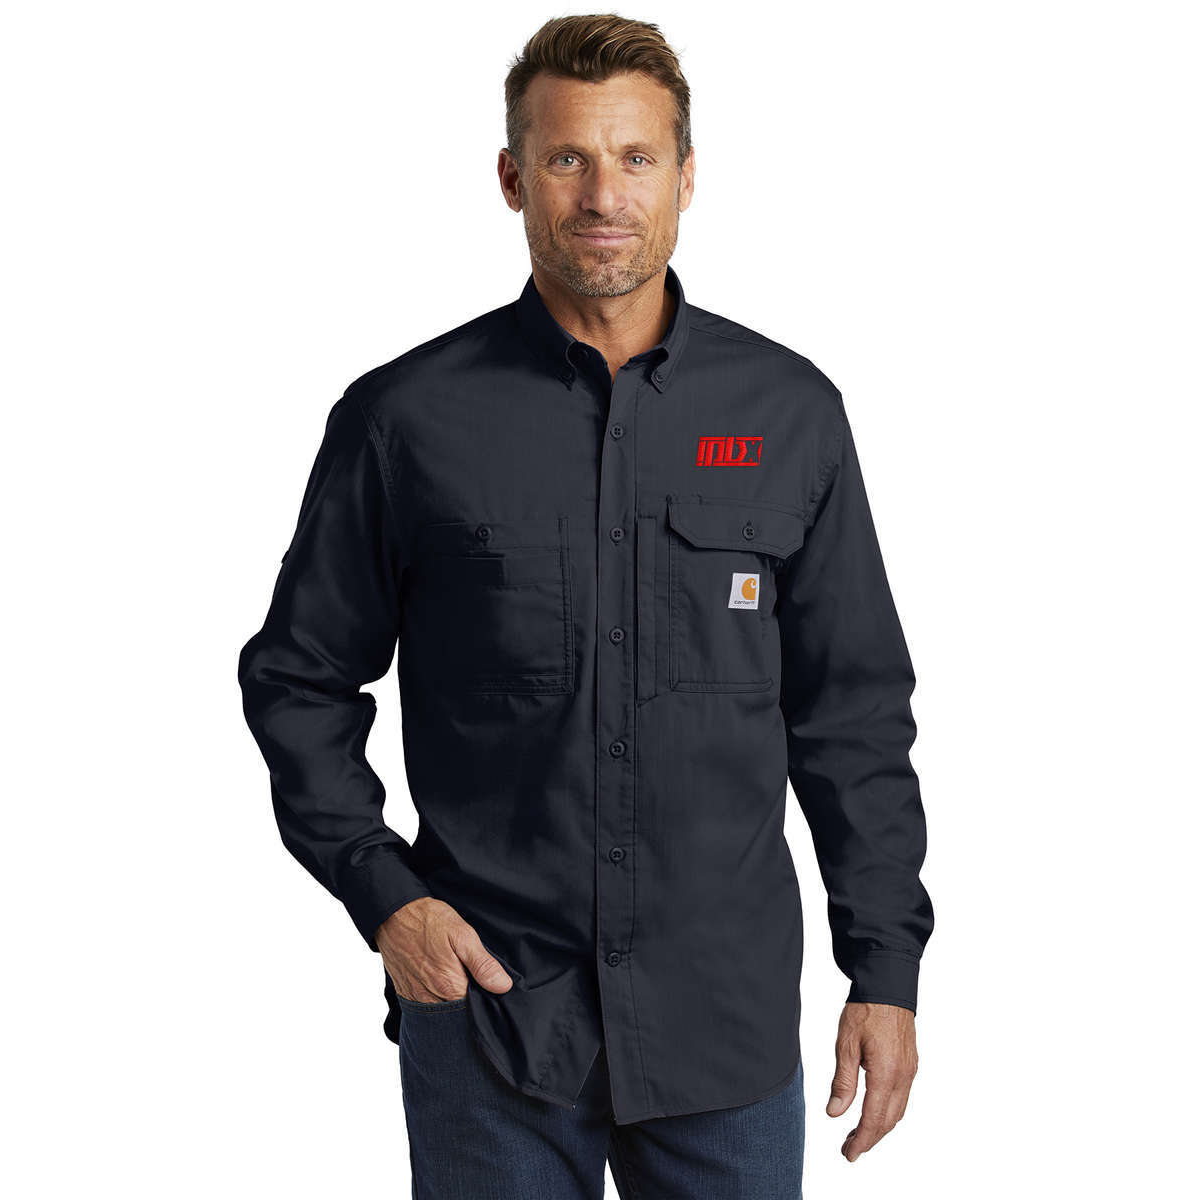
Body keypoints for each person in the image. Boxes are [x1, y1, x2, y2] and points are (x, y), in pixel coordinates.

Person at [237, 13, 933, 1198]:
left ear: (687, 177)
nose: (604, 194)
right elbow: (298, 678)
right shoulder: (404, 421)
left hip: (723, 1029)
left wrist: (885, 970)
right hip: (490, 1021)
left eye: (636, 157)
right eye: (567, 158)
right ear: (513, 178)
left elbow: (851, 715)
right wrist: (384, 895)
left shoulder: (791, 415)